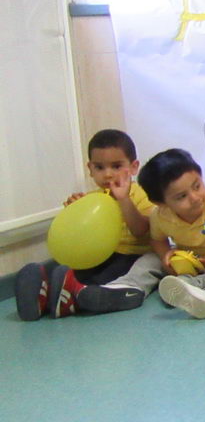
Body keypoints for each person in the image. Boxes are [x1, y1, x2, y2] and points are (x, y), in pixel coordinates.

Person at [54, 148, 205, 317]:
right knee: (149, 260)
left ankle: (199, 291)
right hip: (187, 257)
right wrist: (165, 255)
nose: (194, 197)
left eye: (197, 186)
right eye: (181, 196)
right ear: (162, 203)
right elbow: (157, 240)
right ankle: (126, 288)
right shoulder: (160, 215)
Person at [16, 129, 155, 320]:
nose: (107, 174)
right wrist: (74, 212)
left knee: (98, 277)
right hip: (97, 256)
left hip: (130, 255)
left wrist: (124, 200)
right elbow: (79, 238)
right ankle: (43, 295)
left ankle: (72, 297)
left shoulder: (142, 194)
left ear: (133, 167)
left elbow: (141, 231)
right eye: (99, 167)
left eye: (116, 166)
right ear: (90, 169)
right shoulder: (92, 198)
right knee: (67, 270)